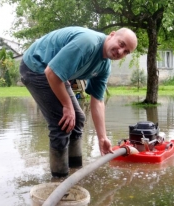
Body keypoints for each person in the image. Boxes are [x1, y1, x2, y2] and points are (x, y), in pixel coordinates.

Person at [20, 26, 137, 178]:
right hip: (36, 66)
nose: (121, 52)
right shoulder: (88, 43)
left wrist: (102, 137)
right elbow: (51, 73)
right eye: (121, 44)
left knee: (78, 119)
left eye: (126, 51)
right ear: (112, 35)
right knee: (62, 123)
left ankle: (75, 173)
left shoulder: (104, 66)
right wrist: (67, 106)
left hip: (56, 74)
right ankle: (60, 181)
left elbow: (98, 101)